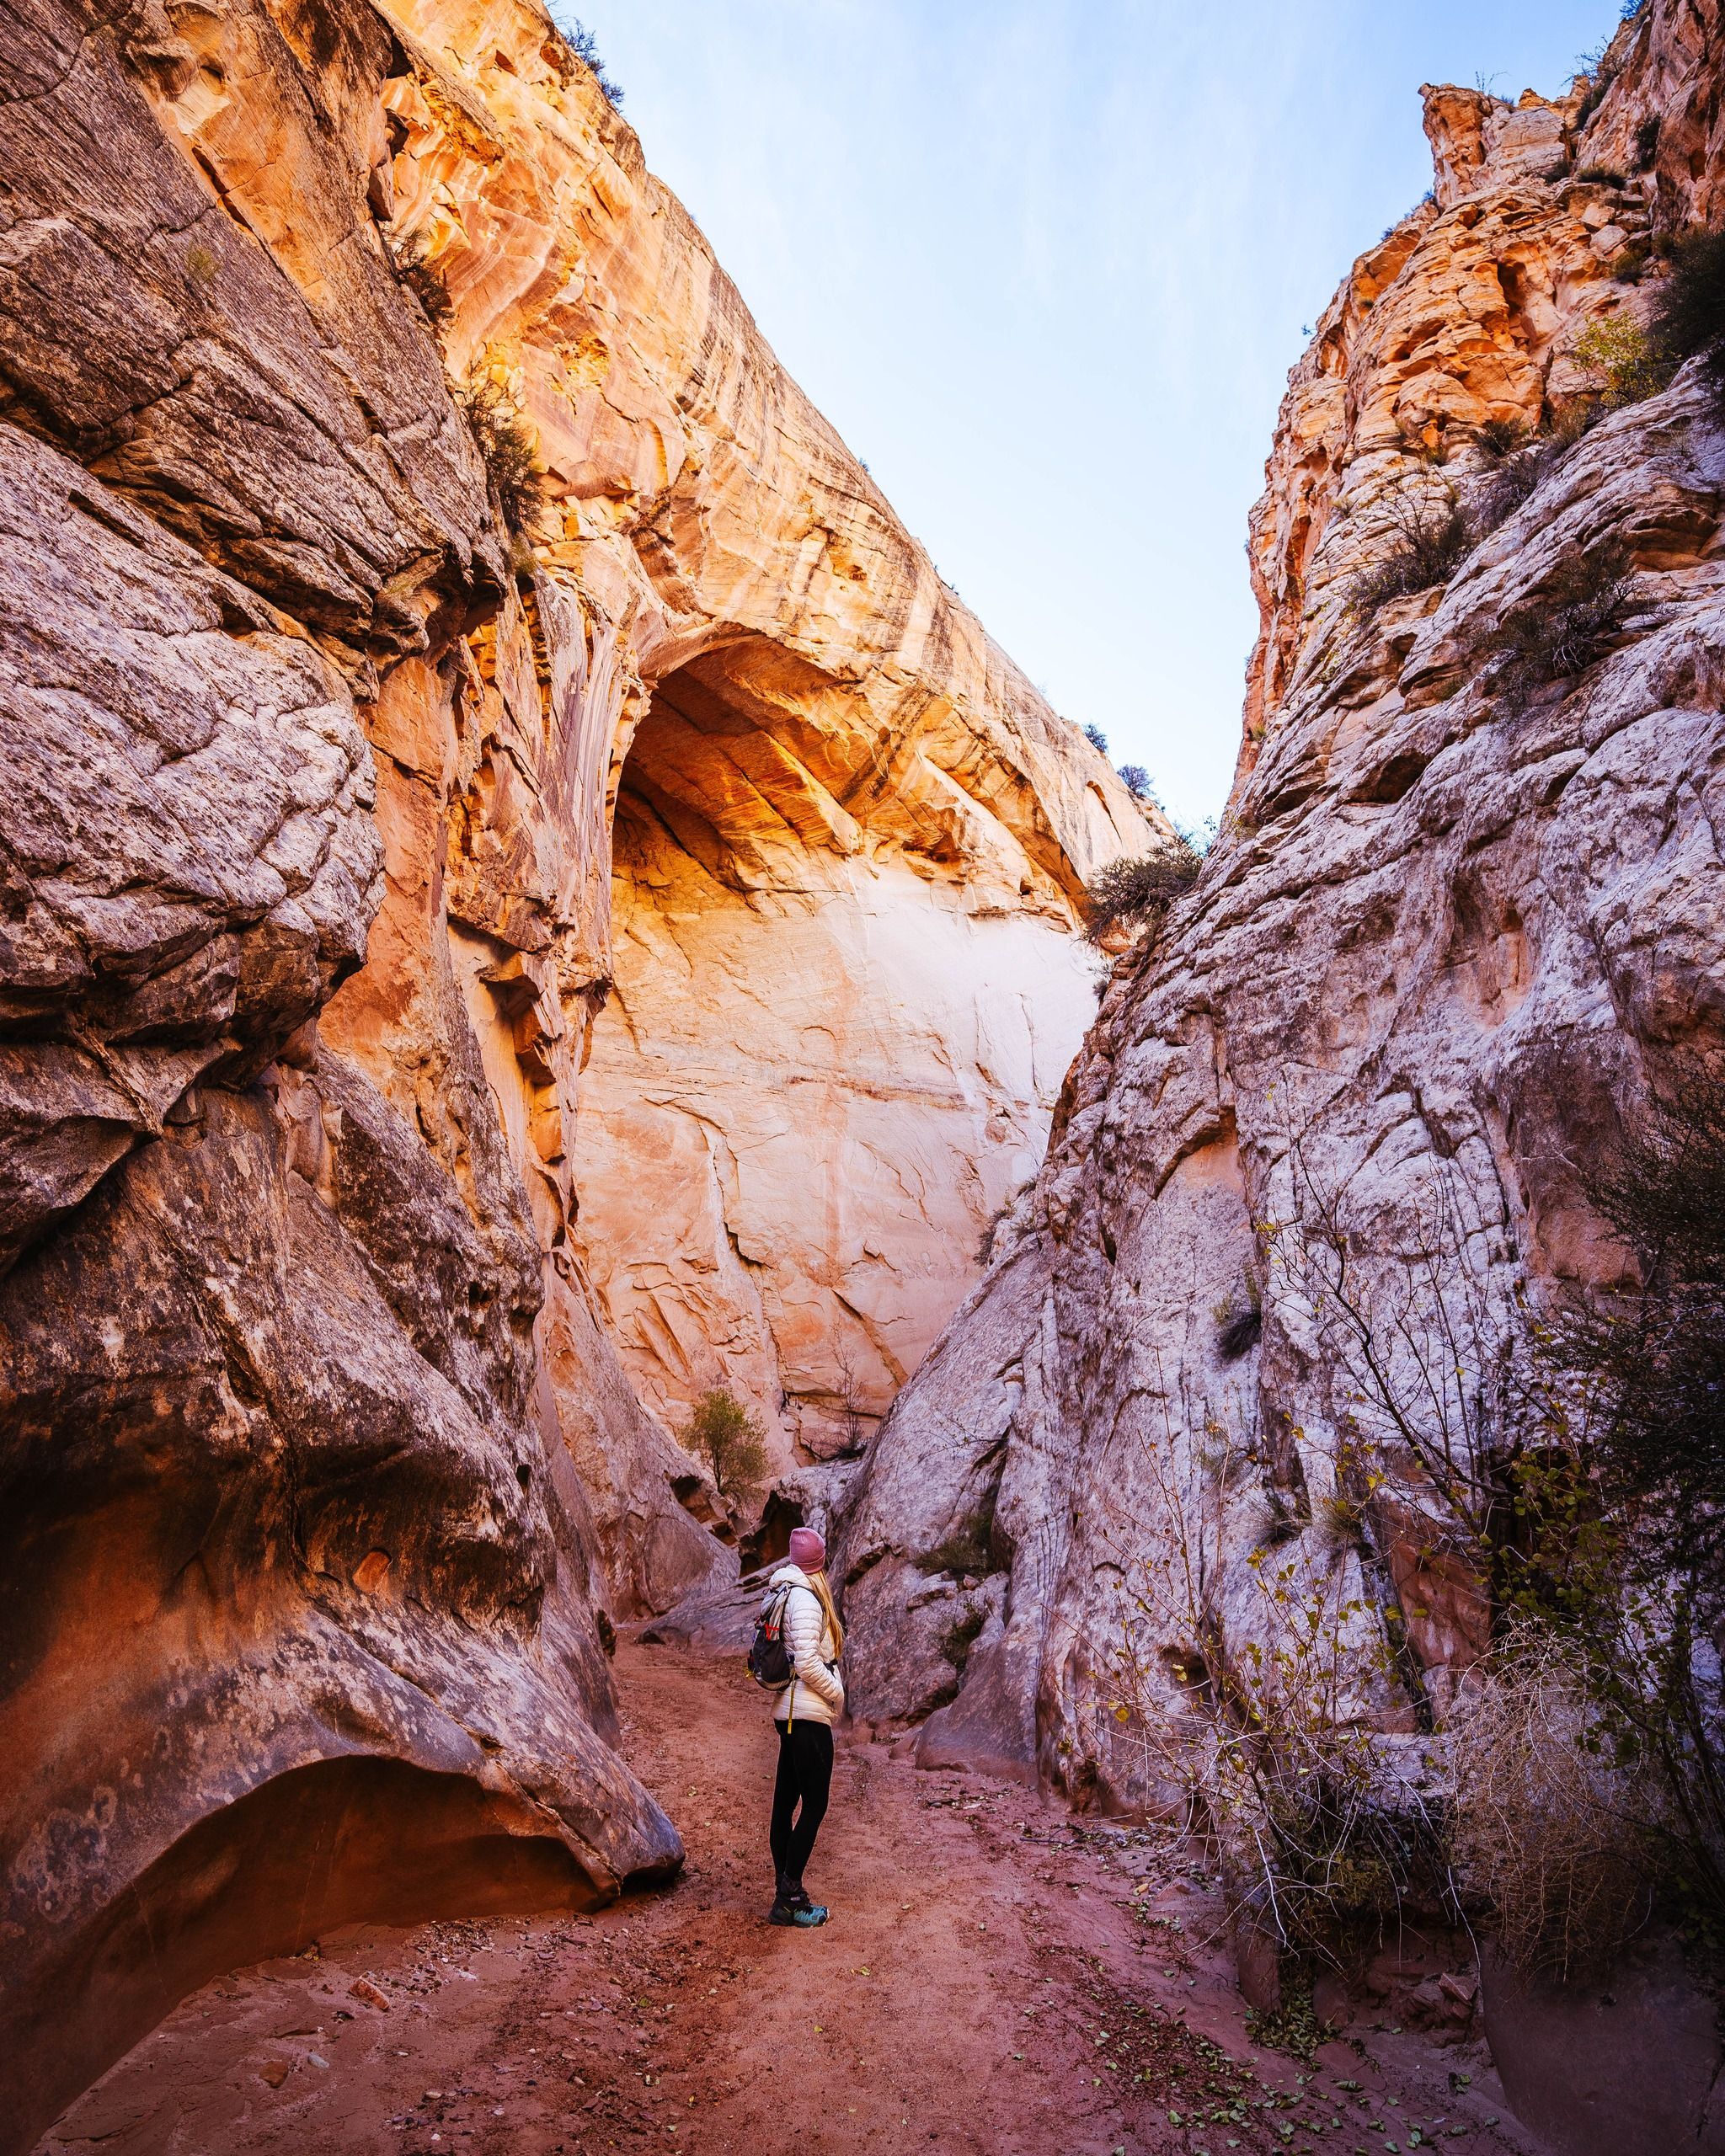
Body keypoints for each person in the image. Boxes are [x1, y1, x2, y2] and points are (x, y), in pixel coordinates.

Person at [764, 1525, 845, 1927]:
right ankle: (790, 1898)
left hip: (789, 1713)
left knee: (784, 1806)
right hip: (808, 1716)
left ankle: (786, 1894)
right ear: (820, 1562)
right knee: (814, 1806)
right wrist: (838, 1694)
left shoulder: (781, 1591)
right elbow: (808, 1662)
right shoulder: (808, 1599)